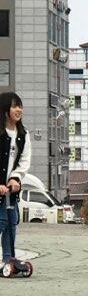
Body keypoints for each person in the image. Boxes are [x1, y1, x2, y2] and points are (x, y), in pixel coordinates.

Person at [0, 92, 31, 264]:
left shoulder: (23, 135)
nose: (19, 110)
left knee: (11, 222)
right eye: (14, 106)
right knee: (2, 221)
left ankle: (8, 261)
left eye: (20, 106)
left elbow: (24, 161)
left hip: (10, 189)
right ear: (5, 110)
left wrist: (15, 178)